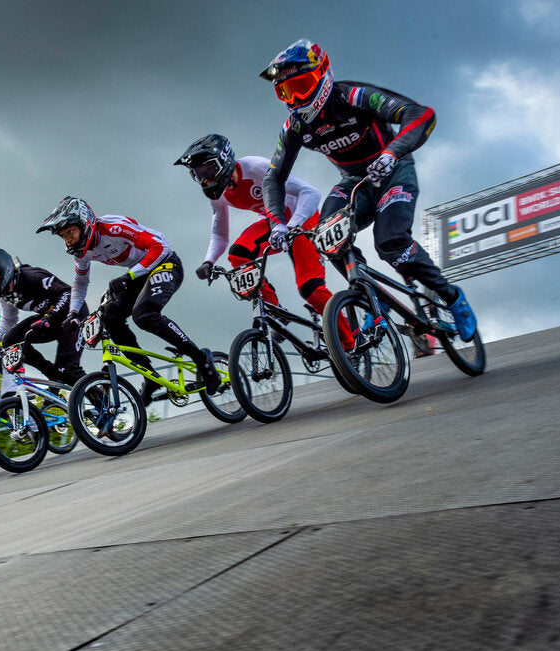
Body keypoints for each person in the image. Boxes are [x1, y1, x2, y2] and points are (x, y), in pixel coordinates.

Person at [259, 38, 478, 341]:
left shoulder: (352, 96)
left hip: (393, 171)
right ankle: (371, 298)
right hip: (355, 182)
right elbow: (273, 178)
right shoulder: (295, 126)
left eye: (301, 86)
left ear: (322, 75)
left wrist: (392, 153)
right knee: (326, 237)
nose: (295, 98)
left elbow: (421, 114)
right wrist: (277, 222)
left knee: (390, 242)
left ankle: (452, 298)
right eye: (285, 91)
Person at [174, 133, 353, 348]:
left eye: (208, 170)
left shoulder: (255, 167)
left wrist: (294, 225)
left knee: (311, 289)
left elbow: (310, 193)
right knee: (238, 253)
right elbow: (220, 233)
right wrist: (209, 261)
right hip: (273, 224)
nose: (205, 180)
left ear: (224, 159)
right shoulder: (219, 195)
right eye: (198, 175)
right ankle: (275, 310)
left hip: (302, 218)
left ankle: (348, 343)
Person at [35, 195, 220, 403]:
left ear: (85, 223)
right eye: (63, 235)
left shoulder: (114, 228)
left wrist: (128, 276)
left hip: (165, 263)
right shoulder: (81, 252)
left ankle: (200, 358)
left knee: (144, 315)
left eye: (70, 232)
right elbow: (80, 283)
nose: (68, 239)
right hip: (137, 274)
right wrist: (73, 313)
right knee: (109, 317)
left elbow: (161, 248)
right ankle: (150, 376)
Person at [0, 245, 87, 393]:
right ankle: (52, 374)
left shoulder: (31, 276)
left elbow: (67, 294)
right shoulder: (6, 293)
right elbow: (8, 319)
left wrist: (49, 317)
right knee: (10, 339)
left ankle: (102, 401)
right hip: (50, 321)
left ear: (2, 269)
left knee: (69, 370)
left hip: (73, 315)